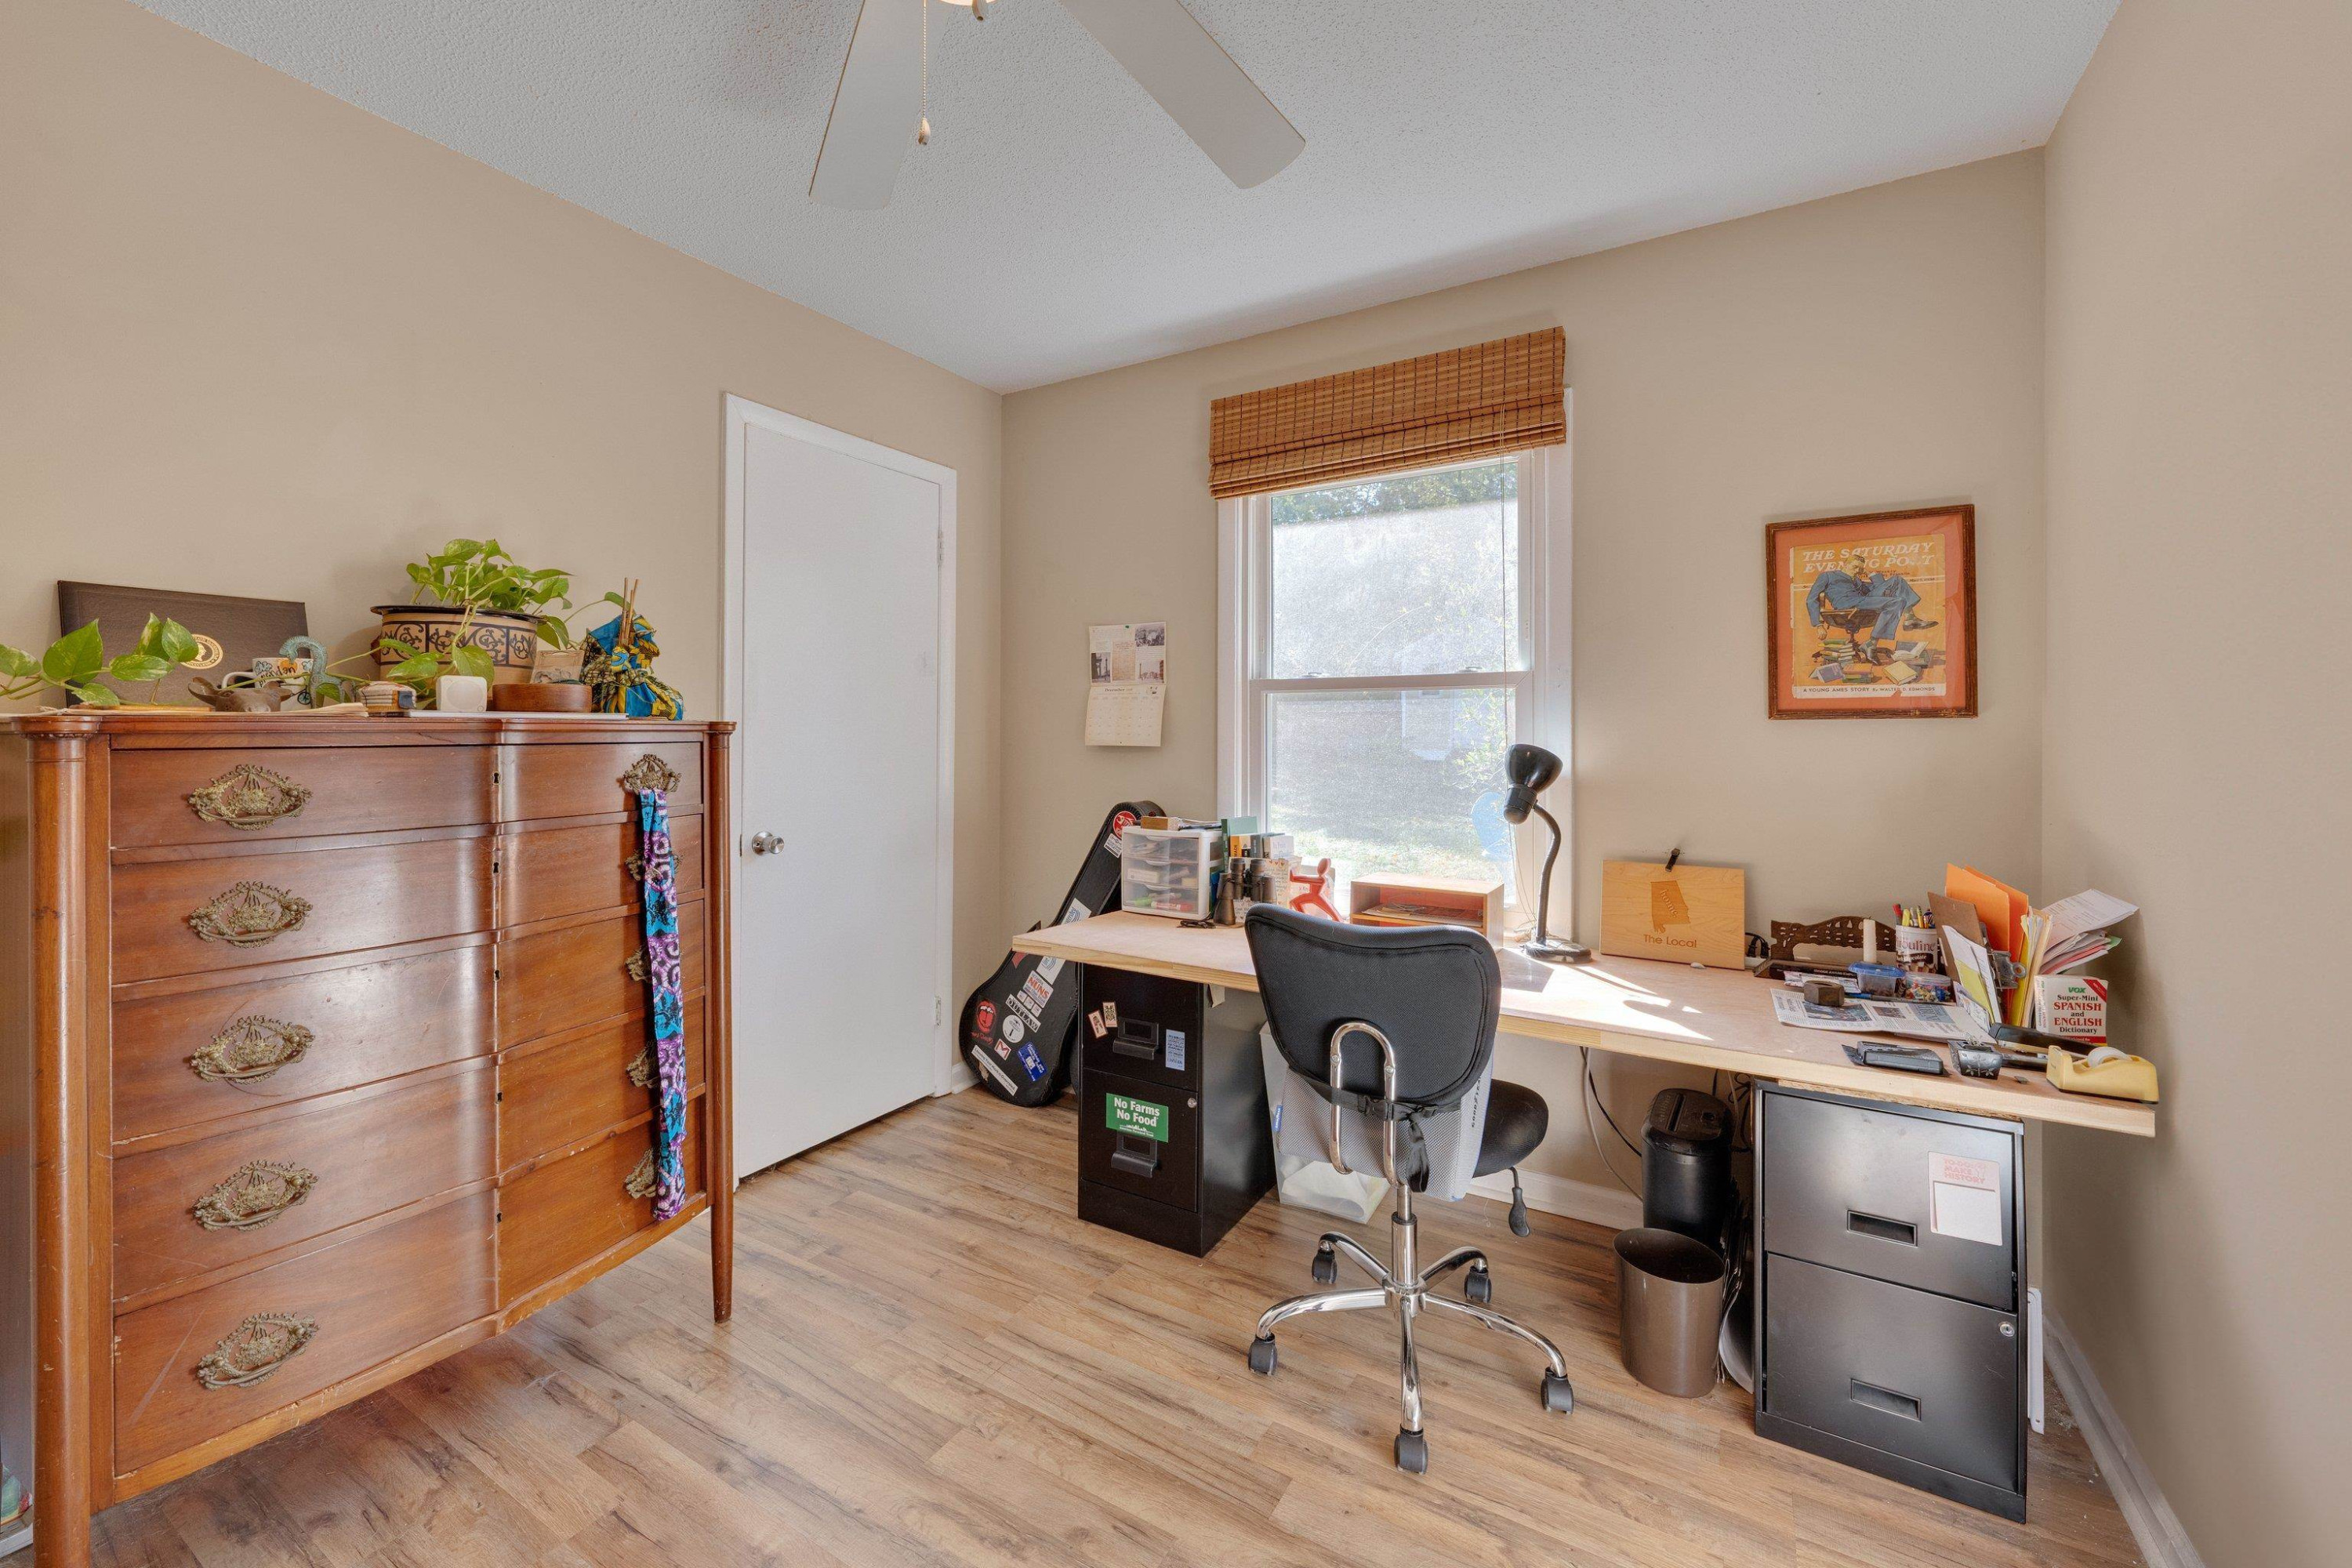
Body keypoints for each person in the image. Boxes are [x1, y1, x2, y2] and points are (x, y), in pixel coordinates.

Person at [1806, 551, 1936, 656]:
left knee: (1898, 581)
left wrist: (1871, 574)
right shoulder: (1828, 576)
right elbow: (1811, 598)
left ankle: (1908, 619)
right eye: (1855, 567)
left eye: (1860, 569)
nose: (1857, 571)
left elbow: (1881, 590)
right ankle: (1873, 643)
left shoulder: (1858, 581)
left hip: (1863, 602)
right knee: (1898, 601)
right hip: (1846, 605)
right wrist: (1818, 625)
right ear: (1845, 564)